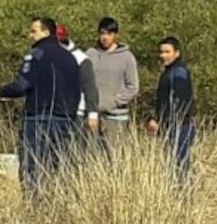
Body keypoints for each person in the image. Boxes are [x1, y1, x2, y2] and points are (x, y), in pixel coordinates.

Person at [0, 16, 82, 202]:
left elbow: (22, 85)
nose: (30, 36)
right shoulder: (69, 57)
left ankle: (34, 211)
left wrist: (3, 92)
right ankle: (59, 208)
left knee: (33, 167)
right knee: (58, 167)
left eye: (33, 31)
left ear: (46, 32)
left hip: (39, 118)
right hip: (65, 119)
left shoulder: (36, 54)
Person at [147, 36, 196, 185]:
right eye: (161, 52)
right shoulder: (169, 72)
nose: (163, 56)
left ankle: (183, 198)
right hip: (171, 126)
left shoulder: (179, 72)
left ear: (177, 53)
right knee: (172, 164)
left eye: (167, 52)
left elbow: (180, 101)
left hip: (180, 126)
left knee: (179, 165)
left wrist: (162, 120)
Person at [86, 16, 139, 141]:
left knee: (114, 156)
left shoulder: (126, 57)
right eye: (102, 33)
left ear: (115, 35)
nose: (105, 37)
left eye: (109, 33)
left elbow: (133, 87)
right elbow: (84, 82)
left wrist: (113, 101)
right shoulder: (90, 54)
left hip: (116, 118)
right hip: (92, 116)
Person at [56, 23, 100, 137]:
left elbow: (90, 88)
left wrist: (92, 115)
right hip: (52, 113)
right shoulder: (46, 56)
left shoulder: (81, 59)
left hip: (75, 115)